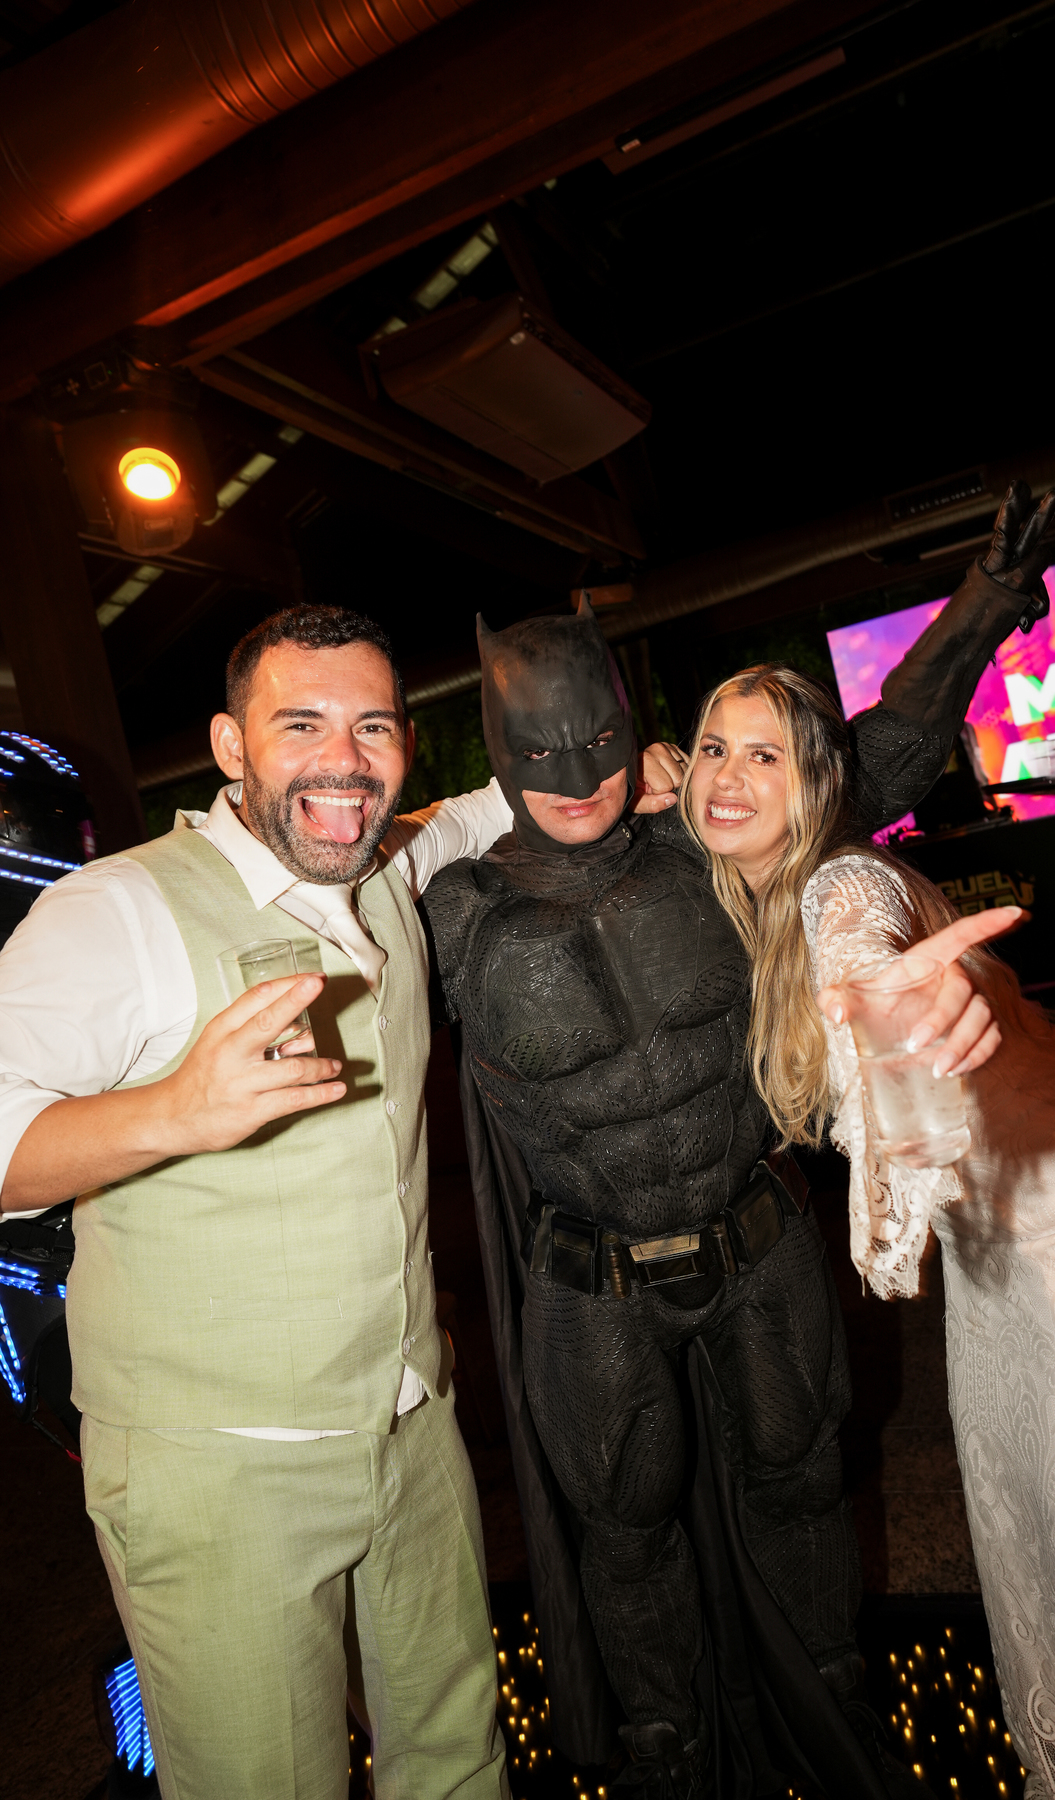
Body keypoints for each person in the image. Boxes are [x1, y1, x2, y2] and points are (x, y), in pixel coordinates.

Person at [422, 482, 1055, 1800]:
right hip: (591, 1281)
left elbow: (870, 760)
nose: (579, 777)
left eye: (601, 742)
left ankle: (833, 1732)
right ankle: (673, 1760)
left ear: (633, 728)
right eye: (539, 751)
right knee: (626, 1537)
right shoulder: (453, 911)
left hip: (754, 1237)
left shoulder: (699, 853)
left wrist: (985, 603)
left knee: (802, 1491)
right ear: (496, 750)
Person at [0, 605, 537, 1800]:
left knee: (459, 1761)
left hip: (411, 1425)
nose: (344, 759)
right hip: (220, 1471)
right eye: (301, 726)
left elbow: (477, 813)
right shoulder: (117, 912)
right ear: (230, 746)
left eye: (373, 727)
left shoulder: (384, 861)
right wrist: (172, 1112)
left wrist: (627, 770)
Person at [682, 661, 1055, 1800]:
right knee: (1034, 1519)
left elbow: (868, 958)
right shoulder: (758, 890)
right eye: (715, 748)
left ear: (820, 784)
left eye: (767, 755)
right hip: (1004, 1234)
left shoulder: (839, 886)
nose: (728, 776)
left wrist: (906, 1011)